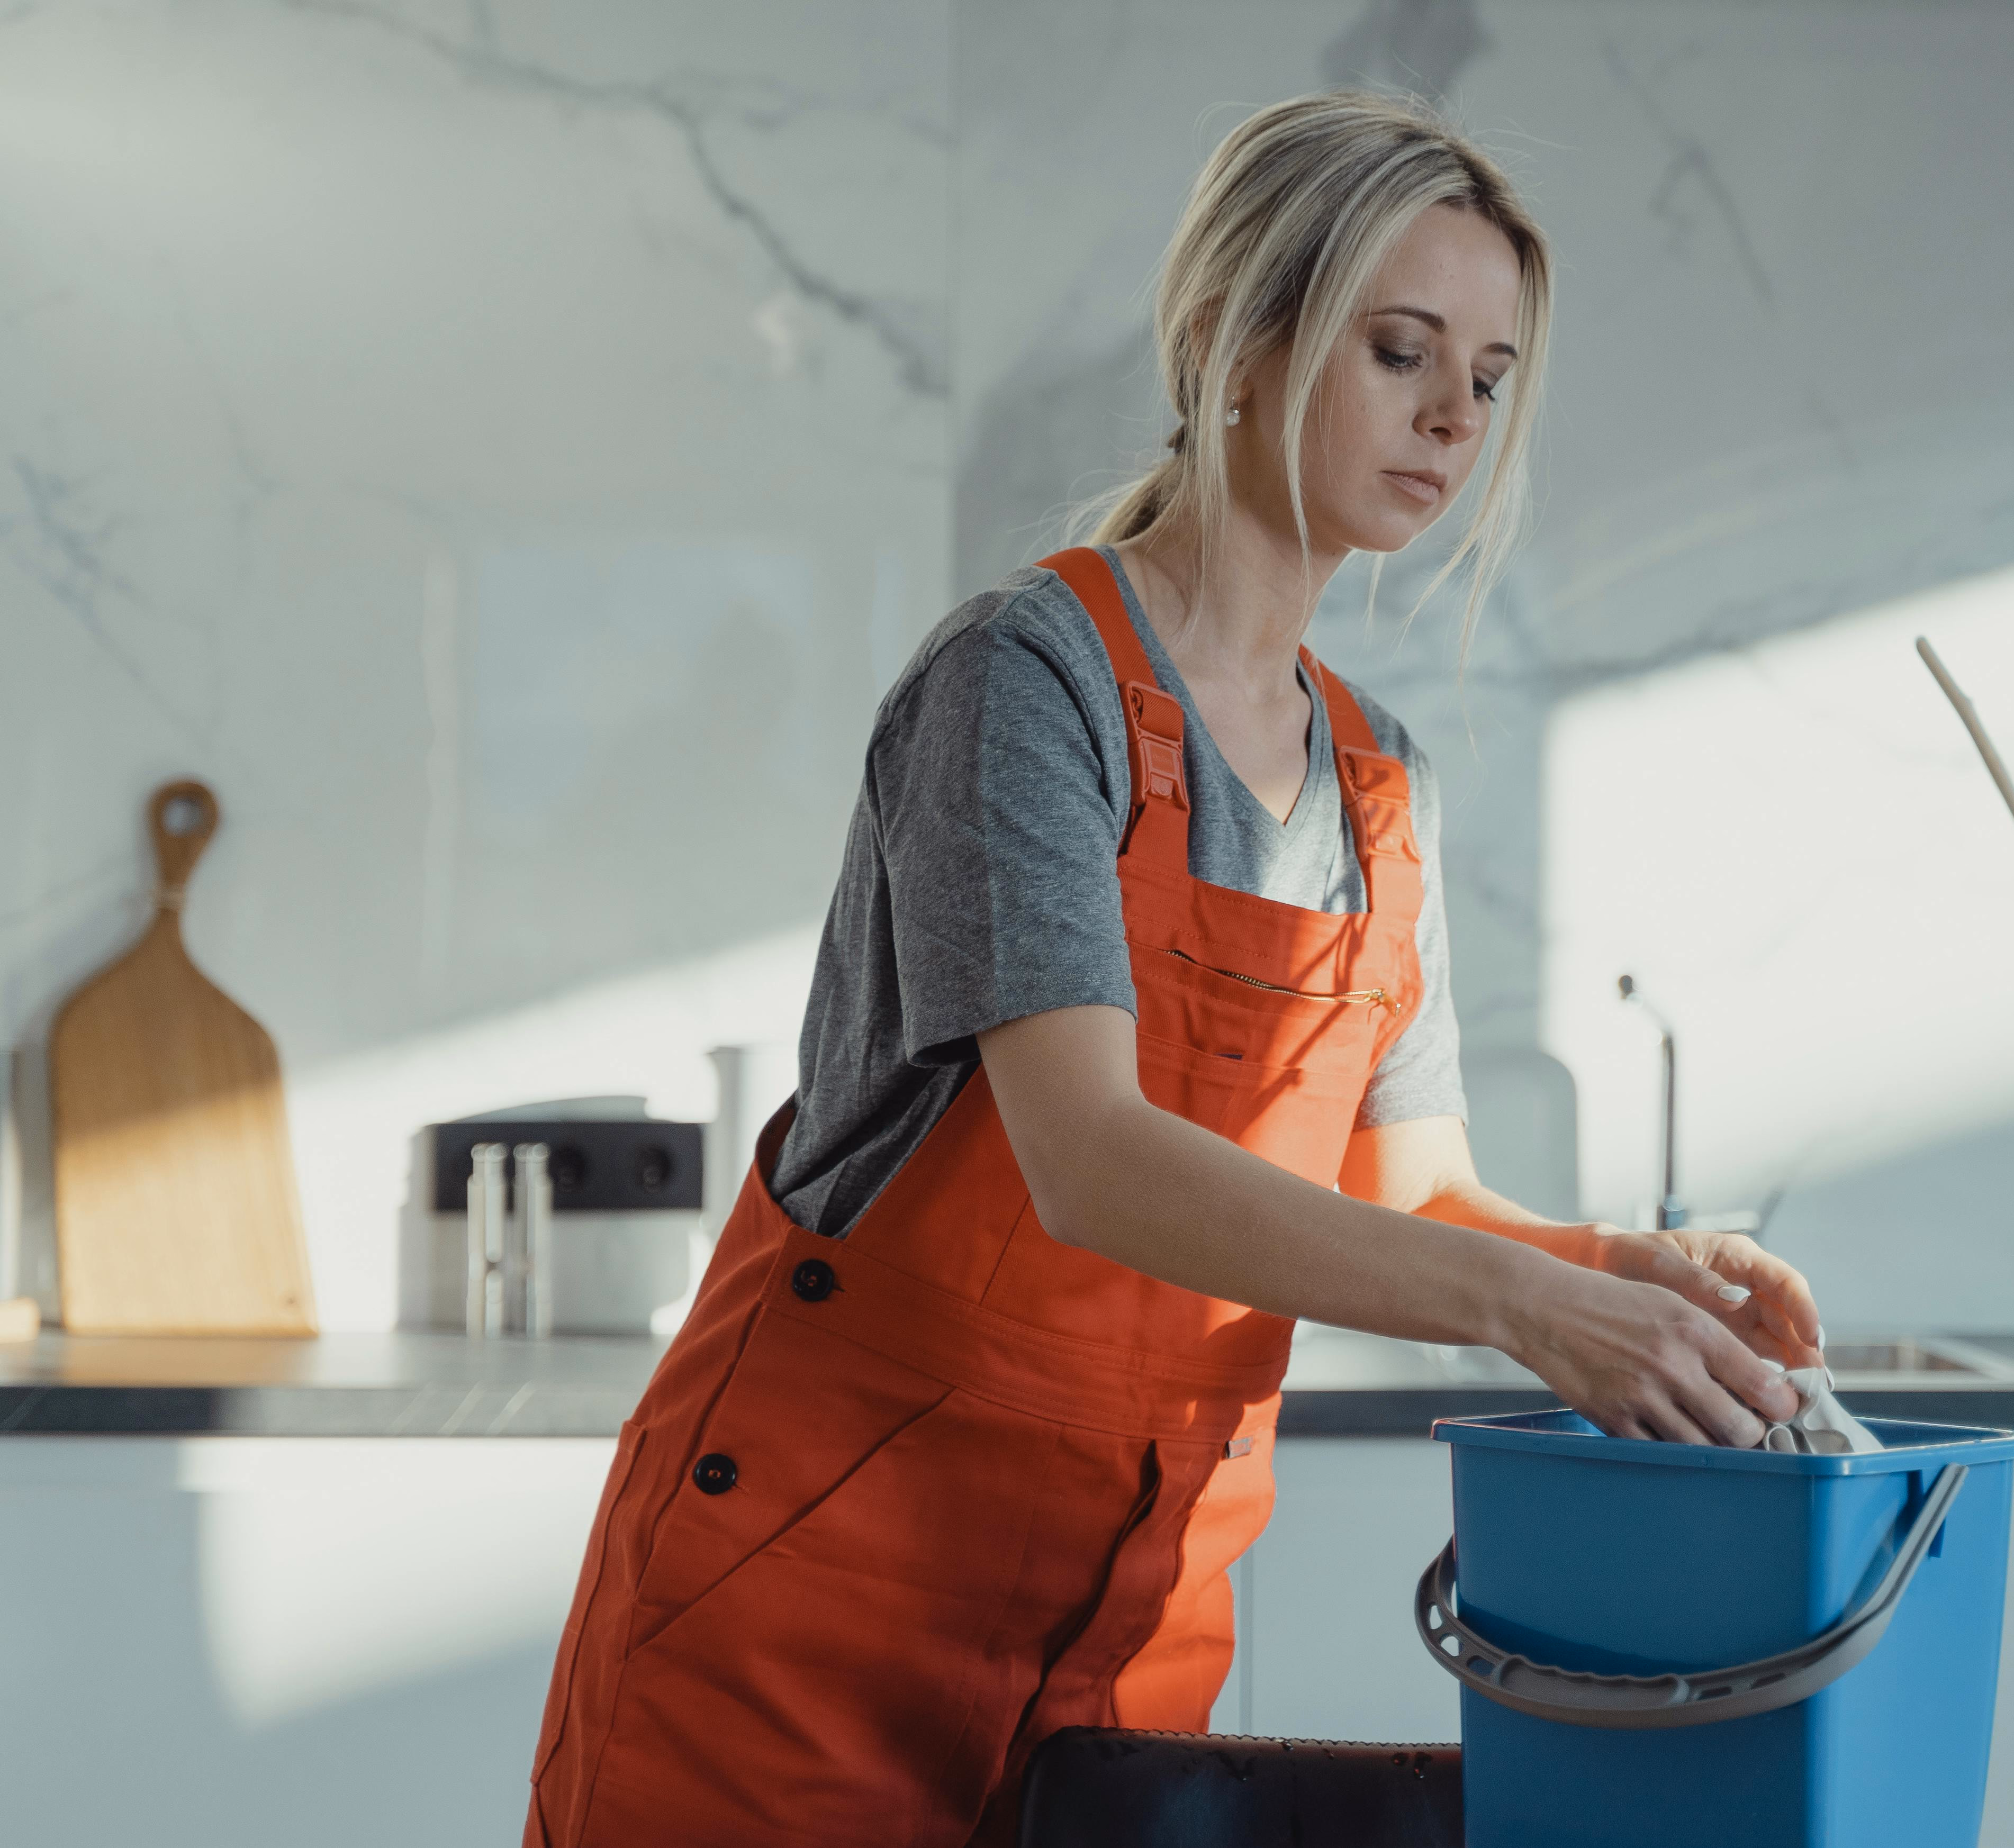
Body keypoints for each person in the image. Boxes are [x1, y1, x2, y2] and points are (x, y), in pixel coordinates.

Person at [525, 87, 1824, 1848]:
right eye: (1398, 348)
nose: (1453, 415)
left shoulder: (1378, 789)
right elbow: (1091, 1158)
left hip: (1118, 1639)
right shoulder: (1023, 682)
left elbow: (1419, 1193)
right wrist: (1534, 1316)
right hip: (802, 1614)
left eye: (1492, 376)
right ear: (1228, 334)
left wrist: (1628, 1281)